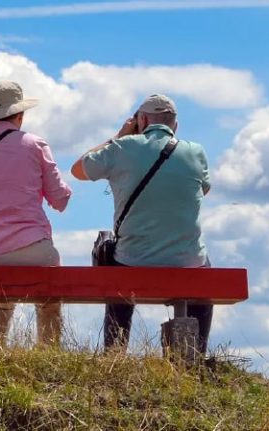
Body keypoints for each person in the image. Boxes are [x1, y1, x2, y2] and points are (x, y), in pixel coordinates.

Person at [70, 94, 212, 354]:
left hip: (133, 260)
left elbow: (78, 169)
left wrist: (120, 136)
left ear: (142, 120)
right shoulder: (196, 151)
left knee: (115, 262)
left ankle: (115, 354)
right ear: (175, 125)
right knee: (204, 269)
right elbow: (203, 191)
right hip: (187, 261)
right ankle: (195, 355)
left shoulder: (123, 147)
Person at [0, 81, 72, 349]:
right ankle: (48, 351)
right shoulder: (35, 144)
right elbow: (60, 199)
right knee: (50, 297)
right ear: (20, 114)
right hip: (31, 249)